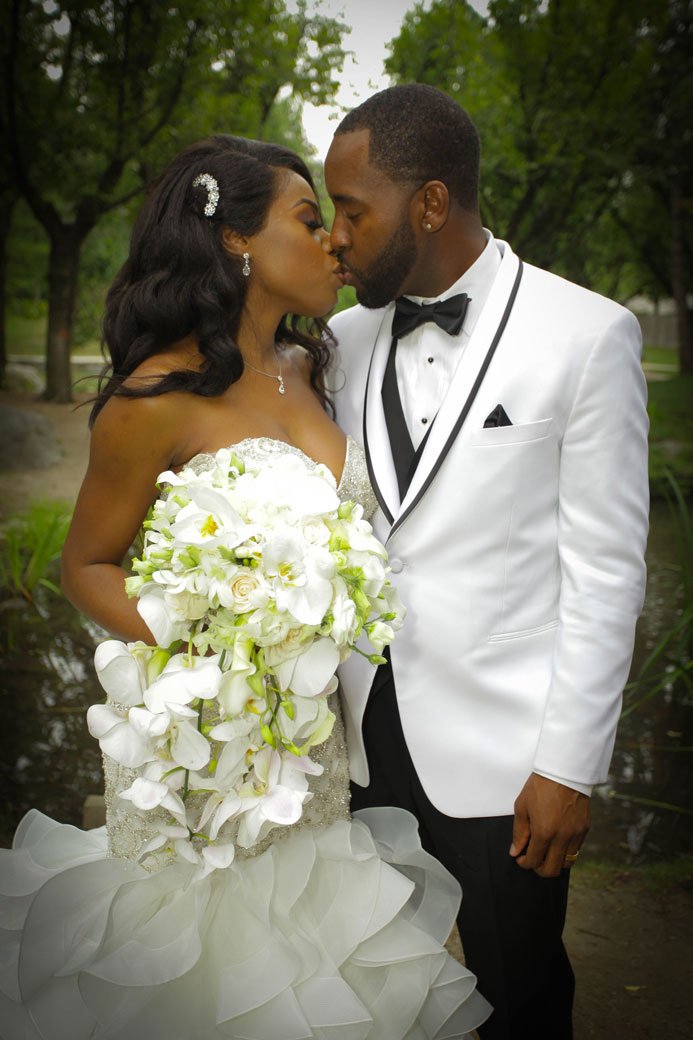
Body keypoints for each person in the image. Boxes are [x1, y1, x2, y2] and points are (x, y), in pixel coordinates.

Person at [0, 135, 491, 1038]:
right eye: (310, 221)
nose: (335, 243)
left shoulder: (320, 368)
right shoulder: (153, 399)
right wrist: (204, 657)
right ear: (235, 242)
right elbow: (86, 565)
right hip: (215, 750)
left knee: (321, 970)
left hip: (319, 750)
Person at [325, 84, 649, 1040]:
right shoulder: (337, 344)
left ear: (428, 204)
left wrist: (569, 767)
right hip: (349, 743)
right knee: (366, 989)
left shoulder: (587, 335)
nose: (336, 236)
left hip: (505, 763)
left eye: (352, 212)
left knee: (518, 993)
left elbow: (604, 572)